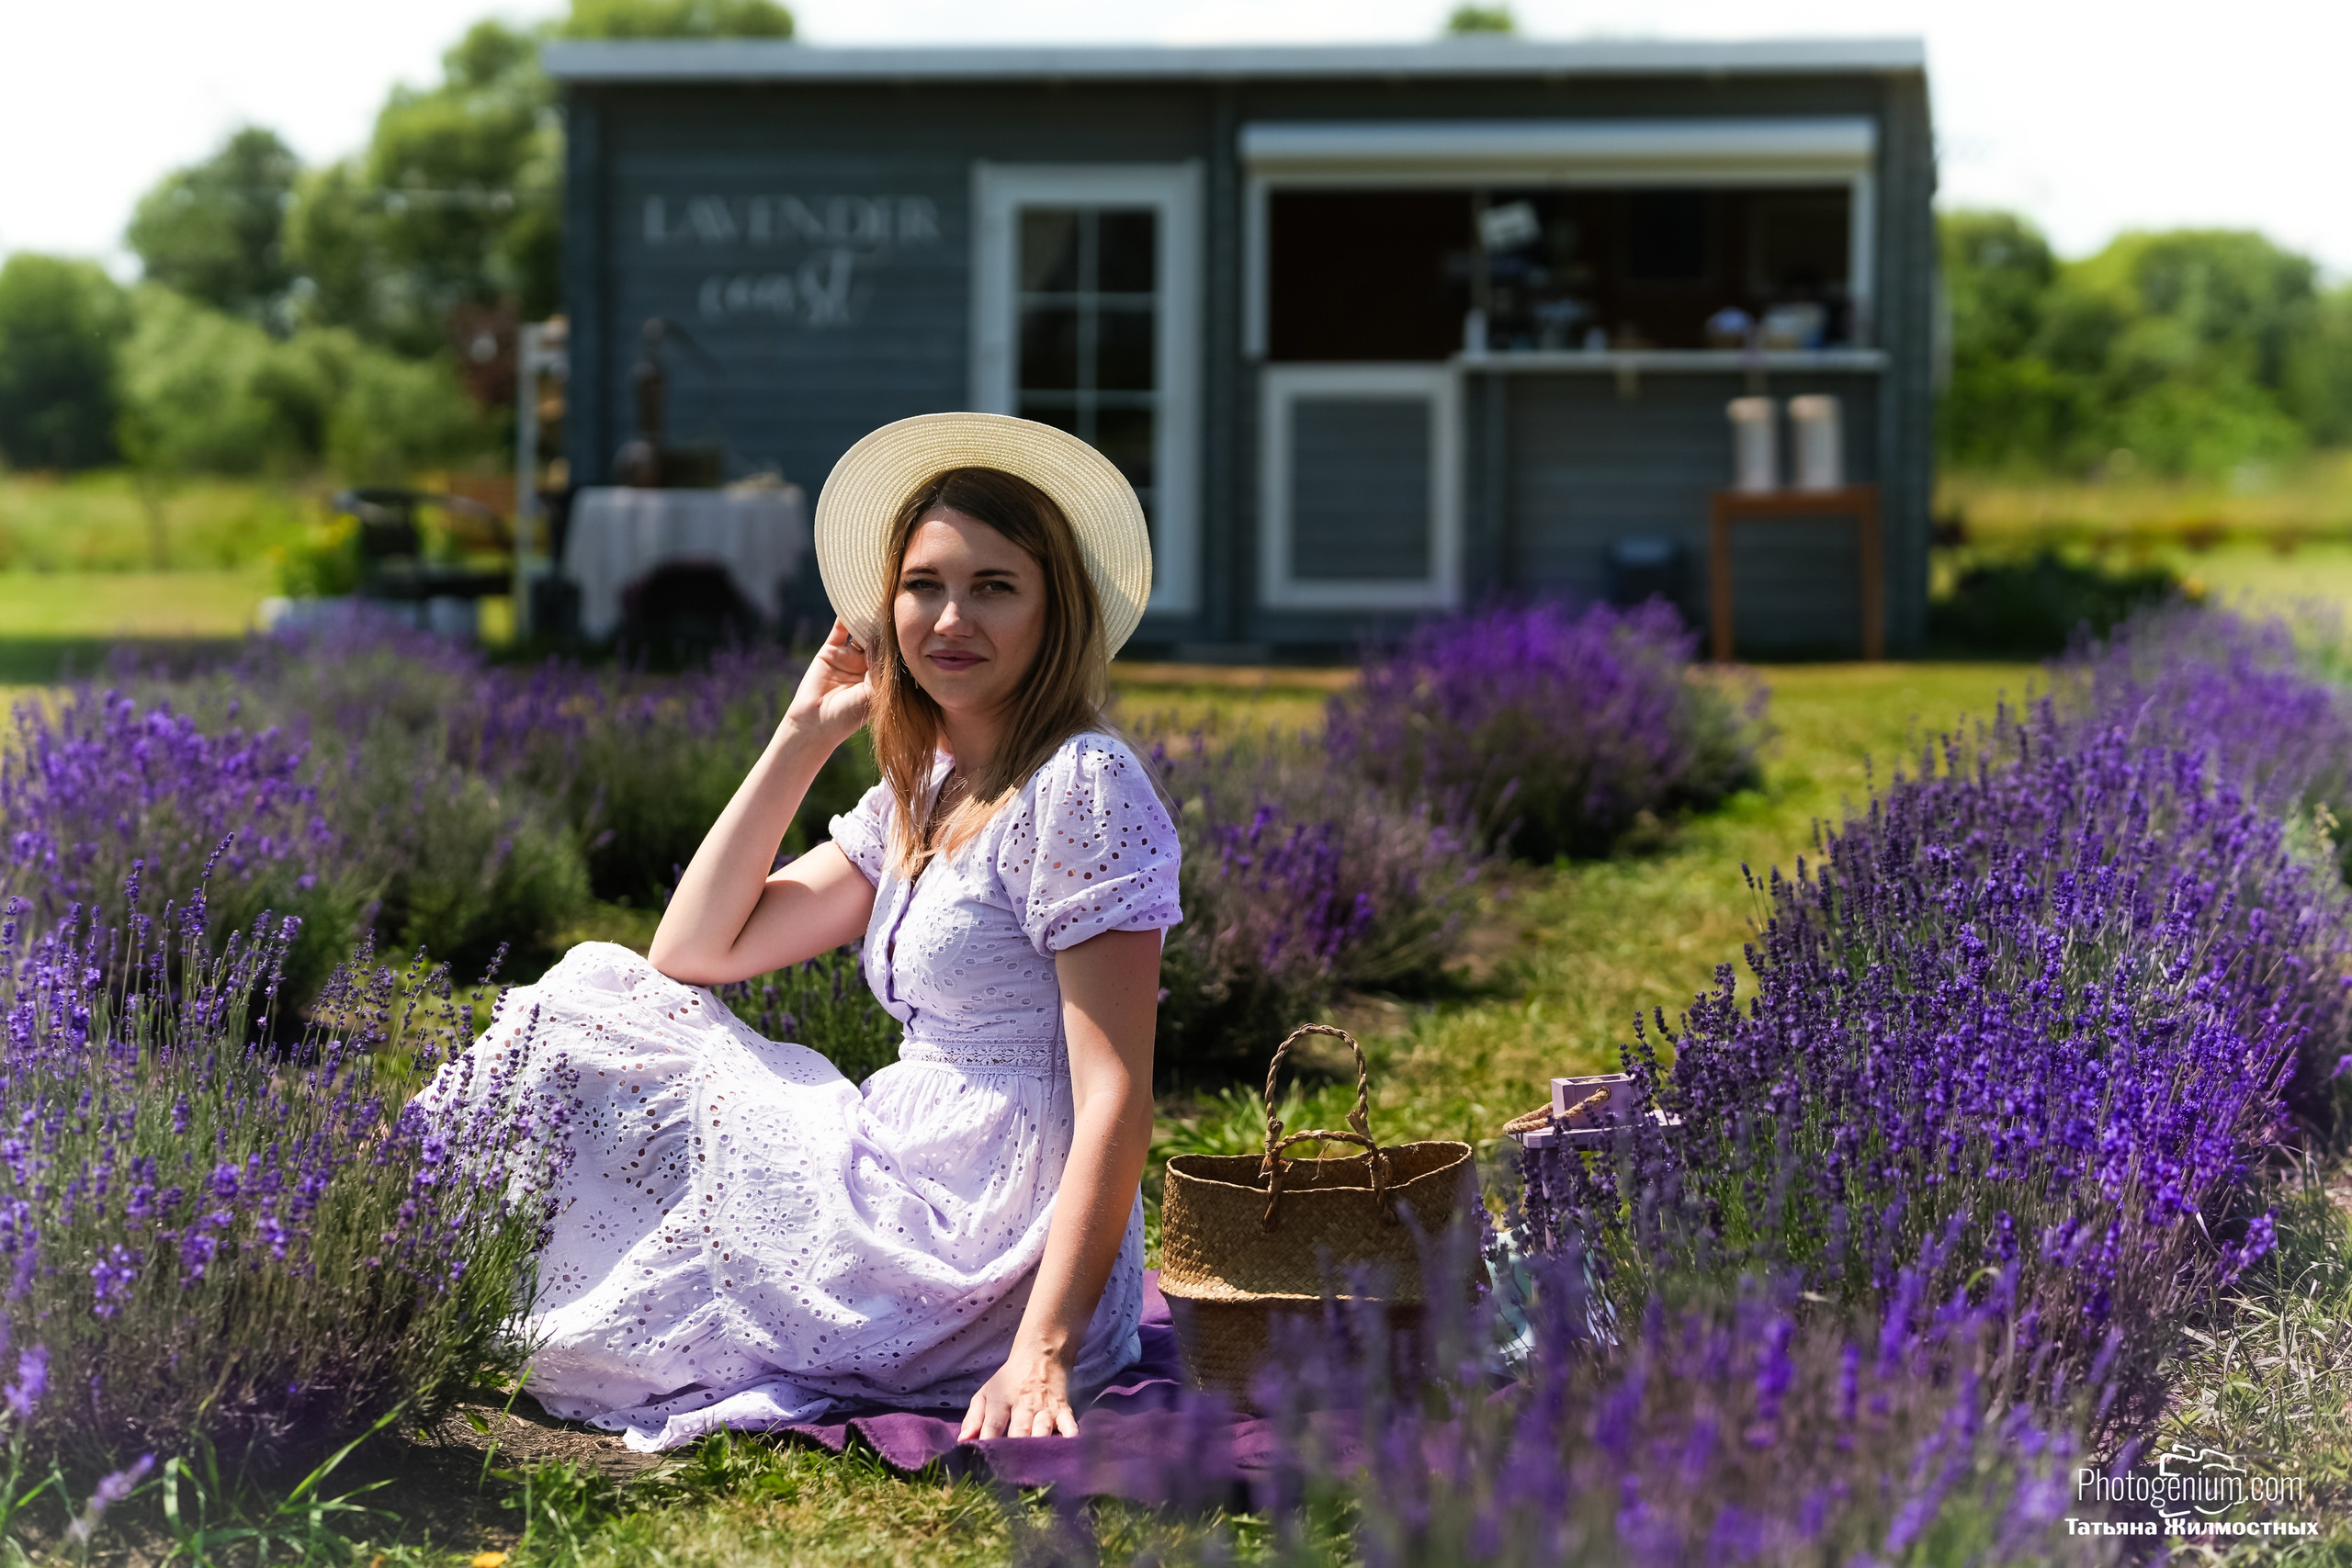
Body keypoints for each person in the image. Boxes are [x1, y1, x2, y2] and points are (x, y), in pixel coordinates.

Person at [426, 413, 1180, 1453]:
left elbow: (1116, 1097)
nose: (950, 617)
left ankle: (396, 1262)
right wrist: (802, 733)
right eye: (924, 586)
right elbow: (693, 952)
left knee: (593, 1022)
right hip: (903, 1165)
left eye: (994, 587)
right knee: (599, 993)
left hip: (990, 1232)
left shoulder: (1081, 784)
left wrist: (1042, 1348)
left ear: (1056, 613)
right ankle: (411, 1257)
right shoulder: (924, 787)